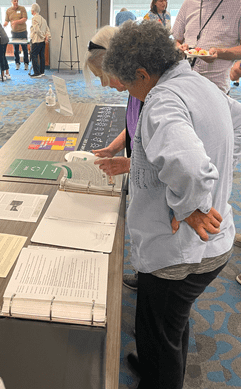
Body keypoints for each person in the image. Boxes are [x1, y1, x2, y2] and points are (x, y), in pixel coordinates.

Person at [102, 19, 241, 389]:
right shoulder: (198, 84)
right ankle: (153, 364)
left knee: (162, 327)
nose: (131, 93)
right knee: (165, 321)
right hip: (212, 241)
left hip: (179, 254)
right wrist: (222, 169)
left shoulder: (162, 99)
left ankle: (160, 376)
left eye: (129, 84)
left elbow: (190, 167)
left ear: (144, 74)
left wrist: (190, 207)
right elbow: (235, 124)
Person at [83, 25, 143, 290]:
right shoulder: (134, 90)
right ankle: (144, 273)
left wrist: (129, 163)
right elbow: (133, 126)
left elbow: (169, 159)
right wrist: (114, 148)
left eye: (104, 78)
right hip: (141, 172)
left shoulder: (148, 91)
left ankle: (150, 276)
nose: (105, 85)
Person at [172, 0, 241, 94]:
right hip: (184, 84)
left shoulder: (239, 2)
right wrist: (179, 47)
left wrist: (220, 52)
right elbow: (176, 39)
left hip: (216, 91)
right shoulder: (190, 2)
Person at [4, 0, 29, 70]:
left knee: (25, 49)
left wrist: (16, 22)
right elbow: (7, 20)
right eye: (15, 1)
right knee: (16, 49)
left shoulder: (22, 9)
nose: (16, 2)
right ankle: (17, 63)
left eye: (17, 1)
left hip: (23, 32)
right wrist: (4, 24)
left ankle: (26, 63)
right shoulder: (8, 10)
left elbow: (25, 19)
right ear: (11, 1)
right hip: (14, 33)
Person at [29, 3, 51, 78]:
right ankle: (42, 72)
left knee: (34, 55)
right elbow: (47, 30)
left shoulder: (34, 18)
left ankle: (37, 73)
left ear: (33, 10)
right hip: (42, 42)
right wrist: (47, 37)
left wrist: (42, 36)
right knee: (42, 56)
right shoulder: (43, 19)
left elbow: (37, 30)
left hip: (37, 40)